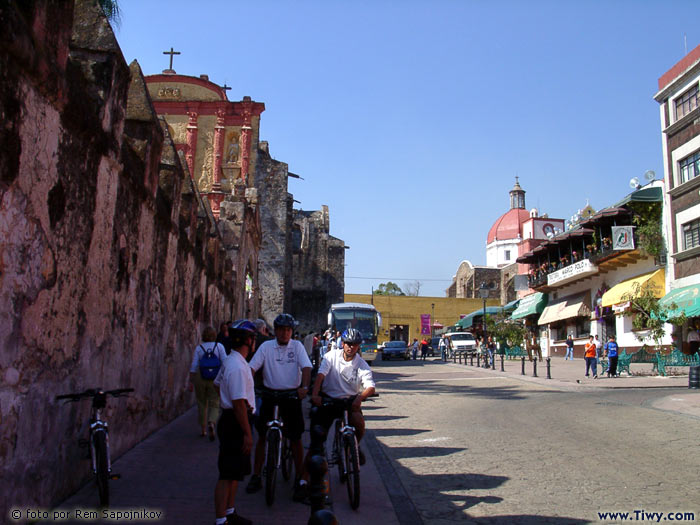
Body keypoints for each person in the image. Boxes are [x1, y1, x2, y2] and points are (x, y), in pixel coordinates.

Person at [246, 313, 312, 502]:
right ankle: (257, 475)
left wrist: (305, 387)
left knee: (296, 437)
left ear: (292, 331)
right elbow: (252, 367)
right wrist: (248, 384)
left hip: (291, 396)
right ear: (275, 331)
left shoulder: (297, 346)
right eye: (281, 330)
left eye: (288, 330)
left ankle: (300, 478)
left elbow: (306, 368)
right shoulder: (266, 346)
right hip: (269, 394)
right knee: (262, 436)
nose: (284, 334)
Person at [308, 328, 376, 468]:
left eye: (354, 344)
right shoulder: (331, 356)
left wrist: (360, 397)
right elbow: (321, 375)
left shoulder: (361, 364)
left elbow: (370, 386)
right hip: (329, 399)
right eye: (348, 343)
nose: (351, 347)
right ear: (343, 343)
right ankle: (304, 477)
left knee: (359, 423)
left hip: (349, 401)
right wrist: (315, 394)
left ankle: (355, 446)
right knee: (318, 436)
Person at [212, 320, 257, 525]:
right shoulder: (237, 366)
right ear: (249, 341)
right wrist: (247, 433)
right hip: (235, 421)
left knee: (234, 472)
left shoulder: (232, 361)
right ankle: (221, 519)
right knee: (227, 473)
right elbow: (238, 404)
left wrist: (227, 398)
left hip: (233, 417)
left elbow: (217, 385)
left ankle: (229, 512)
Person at [189, 326, 227, 440]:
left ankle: (203, 428)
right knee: (214, 402)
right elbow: (225, 362)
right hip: (215, 376)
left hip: (201, 376)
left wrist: (191, 380)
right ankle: (212, 422)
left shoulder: (199, 348)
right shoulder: (219, 346)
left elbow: (194, 365)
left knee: (201, 402)